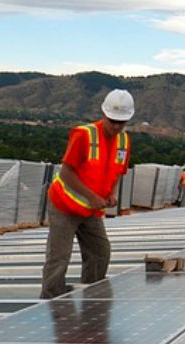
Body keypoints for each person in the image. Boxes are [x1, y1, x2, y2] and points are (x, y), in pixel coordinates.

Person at [39, 89, 134, 300]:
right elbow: (66, 173)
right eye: (113, 121)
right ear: (104, 115)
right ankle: (50, 303)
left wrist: (112, 193)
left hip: (91, 209)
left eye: (122, 122)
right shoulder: (85, 135)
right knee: (59, 258)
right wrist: (92, 196)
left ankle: (91, 298)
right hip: (65, 205)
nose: (117, 126)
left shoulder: (124, 141)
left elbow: (119, 171)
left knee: (100, 252)